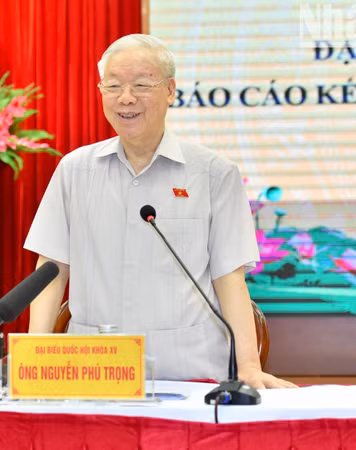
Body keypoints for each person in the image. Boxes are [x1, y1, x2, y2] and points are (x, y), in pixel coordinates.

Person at [24, 34, 295, 388]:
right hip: (96, 370)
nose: (126, 98)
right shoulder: (75, 170)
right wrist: (34, 358)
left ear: (170, 90)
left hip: (189, 372)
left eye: (141, 85)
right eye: (113, 86)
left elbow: (229, 278)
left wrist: (248, 366)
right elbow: (51, 269)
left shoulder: (214, 174)